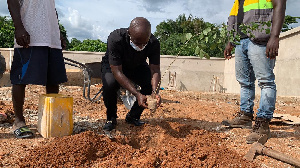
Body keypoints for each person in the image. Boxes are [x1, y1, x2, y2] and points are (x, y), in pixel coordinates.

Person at [222, 0, 286, 144]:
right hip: (240, 40)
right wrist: (230, 41)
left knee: (266, 82)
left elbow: (279, 4)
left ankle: (263, 123)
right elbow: (235, 16)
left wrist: (275, 36)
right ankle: (245, 116)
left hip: (260, 39)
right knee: (244, 82)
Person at [7, 0, 68, 138]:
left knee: (53, 79)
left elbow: (51, 10)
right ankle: (18, 121)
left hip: (51, 38)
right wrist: (19, 27)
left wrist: (58, 33)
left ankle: (51, 118)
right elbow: (12, 1)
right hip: (30, 34)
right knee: (20, 78)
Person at [101, 17, 161, 131]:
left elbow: (155, 70)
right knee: (110, 84)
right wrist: (137, 94)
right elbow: (117, 71)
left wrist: (155, 92)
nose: (140, 47)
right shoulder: (116, 38)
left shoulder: (154, 43)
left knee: (148, 84)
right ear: (129, 34)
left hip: (137, 64)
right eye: (137, 43)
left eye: (144, 44)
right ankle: (111, 118)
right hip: (114, 65)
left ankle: (133, 116)